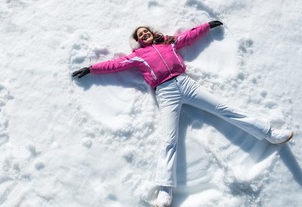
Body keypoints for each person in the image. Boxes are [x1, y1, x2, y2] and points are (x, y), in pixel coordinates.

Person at [71, 21, 293, 207]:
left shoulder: (169, 43)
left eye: (146, 31)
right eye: (141, 35)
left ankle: (270, 134)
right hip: (166, 93)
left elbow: (188, 37)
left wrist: (207, 26)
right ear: (138, 41)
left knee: (225, 109)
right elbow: (114, 64)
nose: (145, 35)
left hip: (186, 84)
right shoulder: (137, 56)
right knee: (169, 139)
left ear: (151, 32)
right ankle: (165, 191)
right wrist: (91, 69)